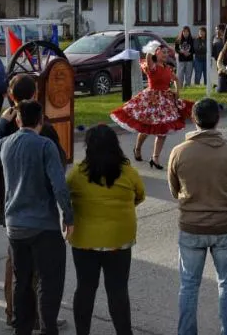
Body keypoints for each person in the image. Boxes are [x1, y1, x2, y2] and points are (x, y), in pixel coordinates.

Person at [0, 74, 69, 328]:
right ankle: (42, 320)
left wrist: (0, 124)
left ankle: (16, 315)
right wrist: (68, 214)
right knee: (43, 275)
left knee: (18, 270)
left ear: (12, 97)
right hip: (41, 215)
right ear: (34, 95)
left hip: (10, 206)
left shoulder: (3, 127)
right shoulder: (44, 130)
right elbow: (59, 168)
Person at [167, 98, 227, 335]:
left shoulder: (179, 152)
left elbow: (174, 189)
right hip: (225, 226)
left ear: (194, 120)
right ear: (218, 119)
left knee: (189, 285)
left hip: (191, 226)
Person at [66, 125, 145, 335]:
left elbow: (66, 197)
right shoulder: (128, 171)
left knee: (85, 288)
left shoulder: (77, 174)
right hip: (119, 240)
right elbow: (140, 195)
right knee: (118, 290)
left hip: (84, 241)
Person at [112, 41, 194, 170]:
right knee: (146, 128)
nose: (166, 54)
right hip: (151, 100)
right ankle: (137, 148)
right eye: (163, 52)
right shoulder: (153, 66)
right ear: (157, 52)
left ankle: (155, 157)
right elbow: (149, 58)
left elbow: (176, 80)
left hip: (165, 101)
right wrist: (152, 48)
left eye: (167, 52)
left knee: (163, 129)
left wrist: (177, 93)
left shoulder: (167, 68)